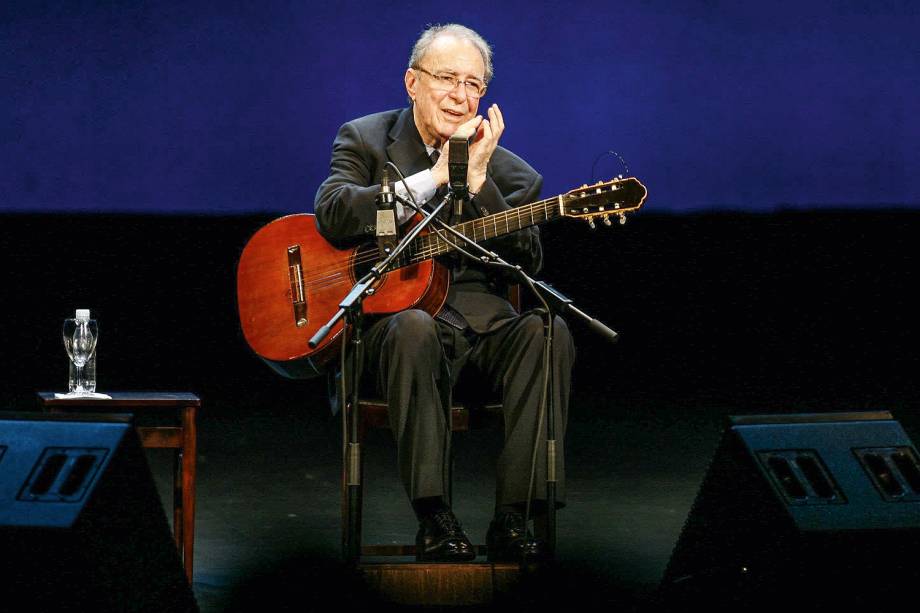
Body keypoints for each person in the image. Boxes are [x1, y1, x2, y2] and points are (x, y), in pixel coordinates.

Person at [314, 23, 575, 562]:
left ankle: (514, 517)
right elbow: (334, 213)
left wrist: (479, 184)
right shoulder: (365, 139)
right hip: (396, 336)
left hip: (482, 334)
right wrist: (433, 178)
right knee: (414, 326)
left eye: (474, 85)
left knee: (548, 333)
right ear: (412, 82)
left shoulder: (512, 173)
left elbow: (528, 260)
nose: (460, 95)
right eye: (447, 79)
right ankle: (434, 517)